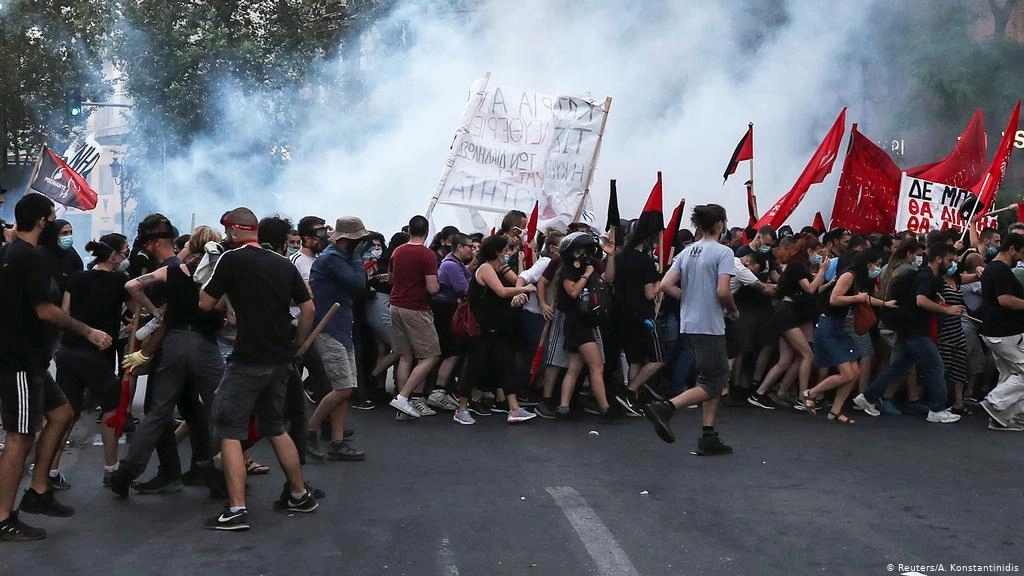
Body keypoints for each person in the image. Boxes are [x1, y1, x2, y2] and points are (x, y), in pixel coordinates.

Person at [0, 193, 112, 542]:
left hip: (31, 359)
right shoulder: (25, 256)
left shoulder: (16, 251)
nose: (58, 227)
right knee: (20, 437)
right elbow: (45, 310)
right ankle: (3, 517)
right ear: (42, 222)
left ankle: (39, 490)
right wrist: (88, 331)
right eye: (52, 218)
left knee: (63, 414)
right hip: (18, 362)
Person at [199, 207, 318, 531]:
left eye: (228, 232)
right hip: (280, 359)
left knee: (229, 430)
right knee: (275, 426)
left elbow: (205, 303)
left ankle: (237, 509)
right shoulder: (283, 263)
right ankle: (299, 494)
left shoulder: (231, 260)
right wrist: (298, 346)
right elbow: (308, 308)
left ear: (236, 231)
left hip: (248, 359)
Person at [644, 204, 737, 455]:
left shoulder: (686, 252)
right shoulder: (723, 252)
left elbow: (665, 284)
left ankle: (708, 435)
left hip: (689, 323)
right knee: (715, 382)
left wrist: (689, 297)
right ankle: (666, 407)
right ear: (720, 224)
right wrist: (733, 309)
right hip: (710, 324)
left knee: (710, 377)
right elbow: (723, 291)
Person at [853, 243, 963, 424]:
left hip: (908, 328)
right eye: (950, 260)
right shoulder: (927, 277)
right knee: (935, 366)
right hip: (916, 330)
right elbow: (920, 301)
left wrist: (936, 301)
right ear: (938, 259)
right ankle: (937, 409)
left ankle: (868, 396)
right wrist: (946, 309)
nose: (952, 264)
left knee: (898, 366)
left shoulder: (923, 275)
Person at [52, 234, 130, 488]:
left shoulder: (76, 277)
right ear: (113, 256)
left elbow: (65, 313)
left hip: (69, 351)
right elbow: (133, 309)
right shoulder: (120, 281)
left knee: (67, 413)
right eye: (124, 252)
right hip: (98, 353)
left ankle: (51, 471)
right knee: (112, 406)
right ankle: (111, 468)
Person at [803, 249, 895, 423]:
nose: (877, 268)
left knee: (855, 372)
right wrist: (856, 299)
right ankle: (811, 393)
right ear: (868, 264)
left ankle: (835, 411)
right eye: (876, 264)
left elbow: (865, 298)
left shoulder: (858, 279)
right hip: (828, 327)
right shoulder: (848, 276)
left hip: (839, 327)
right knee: (847, 373)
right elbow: (834, 299)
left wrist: (885, 303)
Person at [305, 217, 370, 461]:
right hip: (329, 328)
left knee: (345, 388)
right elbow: (358, 284)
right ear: (346, 240)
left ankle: (338, 441)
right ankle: (310, 430)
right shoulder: (332, 259)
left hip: (340, 327)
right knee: (343, 388)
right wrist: (358, 259)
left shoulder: (338, 257)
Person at [457, 235, 538, 424]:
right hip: (481, 328)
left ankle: (514, 410)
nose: (507, 253)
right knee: (473, 367)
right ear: (496, 251)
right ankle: (461, 408)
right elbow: (501, 291)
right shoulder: (486, 268)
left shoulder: (498, 268)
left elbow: (504, 294)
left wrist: (516, 296)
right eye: (505, 250)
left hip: (496, 327)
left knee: (506, 366)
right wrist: (524, 290)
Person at [387, 215, 442, 420]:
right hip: (416, 308)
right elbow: (432, 287)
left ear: (409, 230)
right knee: (430, 356)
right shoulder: (427, 255)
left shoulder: (397, 251)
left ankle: (404, 406)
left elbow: (391, 279)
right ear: (427, 232)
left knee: (405, 356)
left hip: (395, 305)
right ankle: (403, 397)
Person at [978, 234, 1024, 431]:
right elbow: (1005, 299)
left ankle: (1003, 417)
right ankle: (995, 402)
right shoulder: (1001, 270)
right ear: (1012, 249)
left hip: (995, 331)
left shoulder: (992, 268)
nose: (1021, 258)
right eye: (1021, 253)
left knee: (1009, 374)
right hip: (1006, 333)